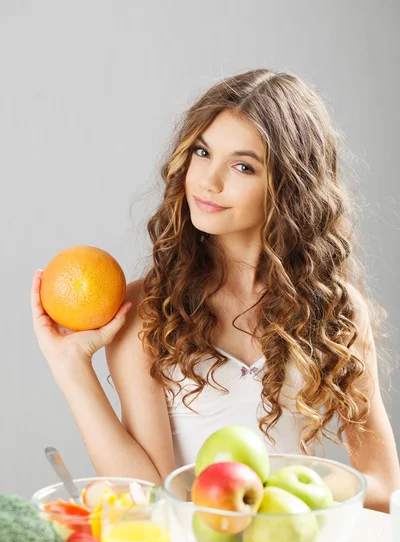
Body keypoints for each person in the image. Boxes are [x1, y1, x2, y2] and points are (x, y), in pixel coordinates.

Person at [31, 68, 400, 513]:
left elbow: (382, 485)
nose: (208, 180)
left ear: (290, 186)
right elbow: (148, 496)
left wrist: (292, 510)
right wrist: (71, 368)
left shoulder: (335, 311)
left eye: (243, 166)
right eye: (202, 153)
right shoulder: (148, 311)